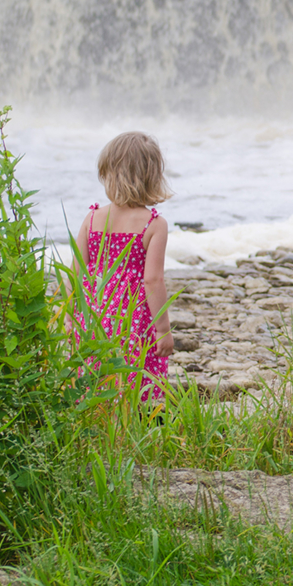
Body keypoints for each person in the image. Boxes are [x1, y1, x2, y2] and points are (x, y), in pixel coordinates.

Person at [75, 131, 175, 403]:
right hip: (133, 319)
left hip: (94, 314)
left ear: (108, 174)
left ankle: (97, 420)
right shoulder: (154, 224)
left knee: (96, 375)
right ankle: (130, 424)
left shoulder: (93, 217)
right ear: (152, 176)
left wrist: (76, 315)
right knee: (134, 376)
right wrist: (163, 329)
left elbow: (77, 273)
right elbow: (152, 281)